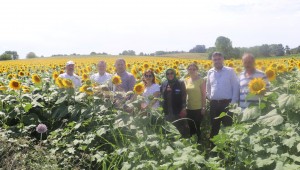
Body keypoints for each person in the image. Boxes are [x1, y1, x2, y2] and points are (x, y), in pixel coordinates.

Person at [206, 52, 239, 142]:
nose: (217, 61)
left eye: (219, 59)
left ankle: (228, 148)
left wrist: (233, 102)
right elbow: (208, 86)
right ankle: (214, 148)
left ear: (223, 59)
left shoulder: (230, 71)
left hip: (227, 104)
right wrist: (210, 97)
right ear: (212, 61)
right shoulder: (210, 72)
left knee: (227, 127)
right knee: (214, 126)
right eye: (215, 59)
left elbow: (235, 86)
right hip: (214, 104)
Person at [161, 68, 189, 138]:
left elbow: (184, 96)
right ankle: (170, 141)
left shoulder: (180, 83)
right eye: (168, 74)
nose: (170, 75)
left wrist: (184, 107)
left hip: (177, 109)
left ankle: (181, 140)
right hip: (167, 109)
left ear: (174, 74)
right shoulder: (164, 83)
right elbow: (161, 95)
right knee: (169, 127)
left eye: (171, 73)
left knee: (179, 126)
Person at [184, 63, 206, 143]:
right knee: (191, 126)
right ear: (187, 70)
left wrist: (203, 107)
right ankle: (193, 143)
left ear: (197, 70)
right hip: (189, 107)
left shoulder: (201, 80)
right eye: (190, 69)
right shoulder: (186, 80)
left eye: (194, 69)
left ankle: (199, 143)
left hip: (198, 107)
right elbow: (185, 94)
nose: (192, 71)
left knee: (197, 126)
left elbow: (204, 95)